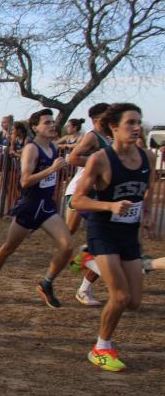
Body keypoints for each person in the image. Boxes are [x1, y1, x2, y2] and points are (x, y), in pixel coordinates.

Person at [71, 103, 153, 372]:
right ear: (114, 127)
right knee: (119, 296)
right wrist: (109, 205)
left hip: (128, 234)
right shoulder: (100, 159)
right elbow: (77, 200)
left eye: (139, 122)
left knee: (134, 302)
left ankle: (90, 261)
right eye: (130, 122)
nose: (137, 127)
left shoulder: (146, 157)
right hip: (103, 230)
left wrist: (146, 215)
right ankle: (101, 348)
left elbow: (146, 190)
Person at [0, 109, 73, 307]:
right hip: (29, 206)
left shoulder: (53, 147)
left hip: (46, 207)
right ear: (35, 127)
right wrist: (51, 169)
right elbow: (25, 181)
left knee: (67, 246)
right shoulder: (31, 149)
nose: (52, 125)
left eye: (53, 122)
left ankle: (46, 283)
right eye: (47, 122)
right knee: (8, 249)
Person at [64, 103, 112, 238]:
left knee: (102, 229)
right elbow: (72, 158)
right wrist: (99, 164)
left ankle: (89, 249)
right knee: (69, 231)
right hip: (79, 189)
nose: (111, 118)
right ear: (96, 119)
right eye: (107, 116)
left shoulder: (108, 138)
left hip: (95, 190)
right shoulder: (92, 136)